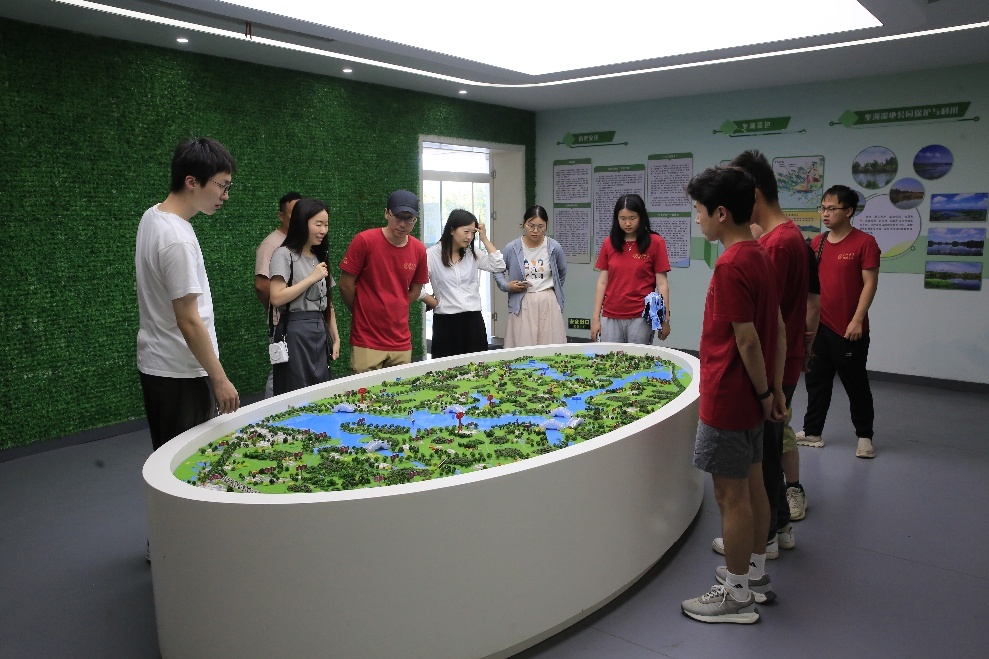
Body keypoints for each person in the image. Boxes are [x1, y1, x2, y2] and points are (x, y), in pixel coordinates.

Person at [680, 166, 786, 625]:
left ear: (721, 213)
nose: (697, 219)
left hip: (729, 396)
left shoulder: (730, 264)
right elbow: (778, 330)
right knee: (755, 483)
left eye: (699, 211)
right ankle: (755, 574)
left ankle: (737, 595)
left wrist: (762, 392)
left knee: (730, 495)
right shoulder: (760, 254)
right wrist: (774, 390)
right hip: (752, 397)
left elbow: (747, 340)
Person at [714, 150, 809, 557]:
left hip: (770, 368)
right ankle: (778, 528)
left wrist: (767, 387)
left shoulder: (777, 244)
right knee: (769, 450)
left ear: (752, 192)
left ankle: (764, 537)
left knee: (764, 458)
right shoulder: (781, 239)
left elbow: (767, 325)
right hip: (776, 363)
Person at [135, 136, 240, 453]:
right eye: (221, 186)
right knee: (189, 466)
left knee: (172, 460)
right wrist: (219, 379)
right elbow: (188, 320)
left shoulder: (153, 216)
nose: (225, 196)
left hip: (162, 366)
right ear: (192, 181)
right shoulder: (176, 238)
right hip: (181, 371)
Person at [797, 185, 880, 458]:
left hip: (849, 329)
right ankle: (812, 431)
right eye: (823, 208)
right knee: (816, 382)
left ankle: (865, 437)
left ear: (849, 211)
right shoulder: (817, 243)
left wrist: (857, 320)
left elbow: (870, 284)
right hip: (820, 326)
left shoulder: (864, 242)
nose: (825, 213)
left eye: (832, 208)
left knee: (856, 385)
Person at [338, 190, 428, 372]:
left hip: (401, 341)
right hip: (367, 339)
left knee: (400, 389)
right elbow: (345, 284)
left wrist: (398, 305)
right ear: (387, 213)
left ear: (415, 220)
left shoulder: (419, 250)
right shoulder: (364, 241)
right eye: (398, 217)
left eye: (409, 219)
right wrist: (361, 309)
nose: (402, 224)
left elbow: (416, 290)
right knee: (364, 390)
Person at [268, 198, 341, 395]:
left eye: (326, 225)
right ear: (302, 223)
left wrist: (335, 337)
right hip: (294, 332)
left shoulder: (318, 257)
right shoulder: (283, 254)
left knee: (320, 391)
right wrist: (311, 278)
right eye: (318, 224)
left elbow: (328, 303)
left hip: (319, 330)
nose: (323, 230)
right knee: (295, 391)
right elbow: (276, 297)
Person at [422, 209, 506, 359]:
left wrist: (484, 239)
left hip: (473, 320)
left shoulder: (472, 253)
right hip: (446, 321)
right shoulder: (432, 254)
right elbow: (414, 285)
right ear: (452, 230)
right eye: (466, 231)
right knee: (446, 369)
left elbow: (499, 265)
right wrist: (433, 302)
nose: (469, 237)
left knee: (477, 367)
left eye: (473, 233)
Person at [589, 194, 671, 344]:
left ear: (641, 217)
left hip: (641, 316)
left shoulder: (656, 242)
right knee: (610, 357)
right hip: (610, 314)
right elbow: (602, 283)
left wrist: (665, 319)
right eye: (623, 218)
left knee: (637, 358)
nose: (627, 223)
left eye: (632, 218)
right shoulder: (608, 243)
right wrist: (595, 318)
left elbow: (662, 283)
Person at [493, 205, 567, 348]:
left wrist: (552, 289)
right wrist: (506, 286)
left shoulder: (554, 247)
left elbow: (561, 272)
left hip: (548, 301)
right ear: (523, 223)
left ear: (546, 225)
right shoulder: (512, 247)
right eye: (531, 226)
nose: (535, 231)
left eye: (540, 226)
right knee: (523, 346)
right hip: (523, 301)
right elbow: (497, 270)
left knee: (550, 347)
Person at [255, 192, 301, 398]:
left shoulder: (302, 242)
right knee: (280, 371)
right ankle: (270, 412)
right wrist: (277, 310)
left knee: (296, 371)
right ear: (281, 216)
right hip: (283, 322)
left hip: (302, 320)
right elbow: (262, 285)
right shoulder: (272, 244)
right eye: (293, 214)